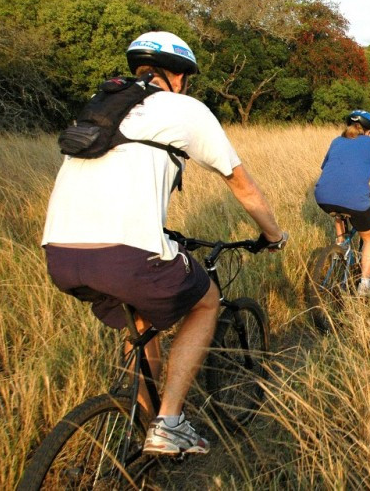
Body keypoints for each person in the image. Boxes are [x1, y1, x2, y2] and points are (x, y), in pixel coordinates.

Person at [41, 31, 287, 456]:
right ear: (180, 76)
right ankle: (170, 423)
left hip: (60, 254)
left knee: (140, 321)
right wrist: (274, 235)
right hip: (124, 254)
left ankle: (143, 421)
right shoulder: (184, 108)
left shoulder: (101, 106)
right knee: (206, 302)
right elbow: (242, 185)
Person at [314, 110, 370, 296]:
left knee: (338, 211)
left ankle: (341, 246)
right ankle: (364, 284)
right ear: (368, 130)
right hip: (354, 199)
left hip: (323, 196)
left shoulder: (337, 141)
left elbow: (327, 167)